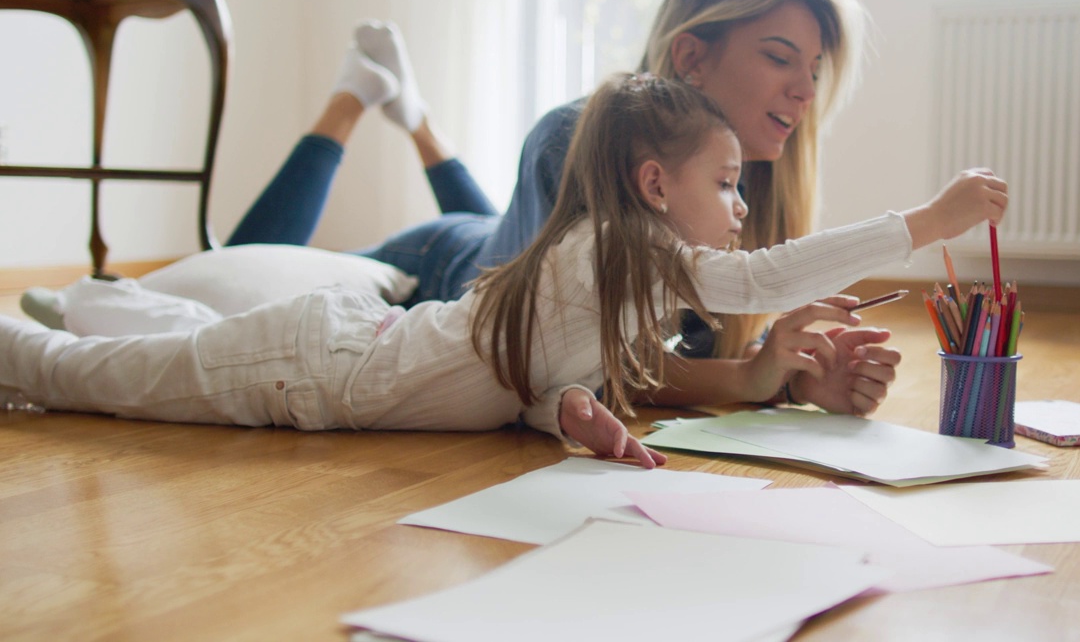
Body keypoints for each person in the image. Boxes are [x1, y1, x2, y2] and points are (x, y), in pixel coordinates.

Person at [0, 75, 1008, 468]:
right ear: (654, 185)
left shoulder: (615, 285)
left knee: (158, 349)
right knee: (88, 382)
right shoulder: (627, 249)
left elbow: (526, 376)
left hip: (327, 356)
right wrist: (925, 222)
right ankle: (26, 336)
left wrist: (577, 415)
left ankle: (96, 302)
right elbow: (756, 282)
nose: (741, 209)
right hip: (306, 370)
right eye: (727, 182)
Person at [222, 0, 905, 416]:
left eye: (814, 70)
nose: (805, 91)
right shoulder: (573, 139)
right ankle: (351, 102)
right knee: (239, 273)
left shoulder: (752, 184)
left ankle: (418, 122)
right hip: (441, 265)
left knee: (506, 229)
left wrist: (801, 377)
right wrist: (754, 380)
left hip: (504, 240)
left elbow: (706, 344)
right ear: (691, 56)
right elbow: (586, 358)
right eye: (781, 57)